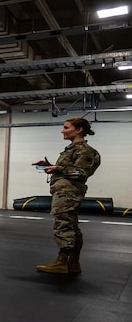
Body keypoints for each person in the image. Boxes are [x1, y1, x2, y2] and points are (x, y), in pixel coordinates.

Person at [34, 117, 101, 275]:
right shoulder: (72, 149)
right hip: (64, 192)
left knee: (64, 225)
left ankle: (62, 262)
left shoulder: (84, 150)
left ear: (79, 130)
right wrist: (51, 166)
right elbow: (69, 168)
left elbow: (82, 172)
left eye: (66, 127)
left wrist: (58, 168)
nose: (62, 130)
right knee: (71, 226)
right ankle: (73, 263)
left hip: (68, 194)